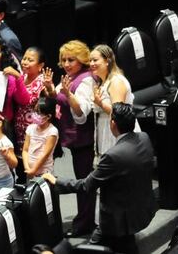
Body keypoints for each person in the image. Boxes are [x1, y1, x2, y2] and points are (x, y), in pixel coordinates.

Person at [43, 103, 157, 254]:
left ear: (113, 123)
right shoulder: (144, 138)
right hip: (139, 210)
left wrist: (56, 181)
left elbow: (86, 185)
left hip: (117, 220)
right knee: (127, 246)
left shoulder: (113, 156)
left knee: (90, 249)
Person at [42, 40, 95, 236]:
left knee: (85, 183)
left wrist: (67, 93)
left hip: (84, 139)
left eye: (71, 59)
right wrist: (49, 87)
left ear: (81, 60)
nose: (66, 63)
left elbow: (81, 115)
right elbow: (54, 97)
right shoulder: (70, 77)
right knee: (82, 180)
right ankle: (84, 220)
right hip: (73, 139)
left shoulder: (85, 80)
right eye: (63, 60)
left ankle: (84, 224)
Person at [89, 45, 135, 156]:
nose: (91, 64)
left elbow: (119, 114)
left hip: (118, 133)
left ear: (107, 61)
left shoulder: (116, 81)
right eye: (90, 61)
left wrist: (100, 103)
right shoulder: (102, 82)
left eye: (95, 60)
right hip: (106, 132)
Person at [14, 47, 48, 147]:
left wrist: (17, 77)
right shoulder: (22, 76)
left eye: (30, 60)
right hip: (19, 130)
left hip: (35, 132)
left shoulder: (43, 81)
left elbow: (28, 101)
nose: (25, 62)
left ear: (40, 65)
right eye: (24, 58)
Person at [22, 96, 59, 178]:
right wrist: (27, 168)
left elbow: (45, 155)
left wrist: (33, 170)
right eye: (35, 111)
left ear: (48, 116)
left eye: (38, 113)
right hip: (30, 172)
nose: (35, 115)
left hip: (44, 174)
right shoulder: (30, 128)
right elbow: (25, 150)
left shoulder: (52, 131)